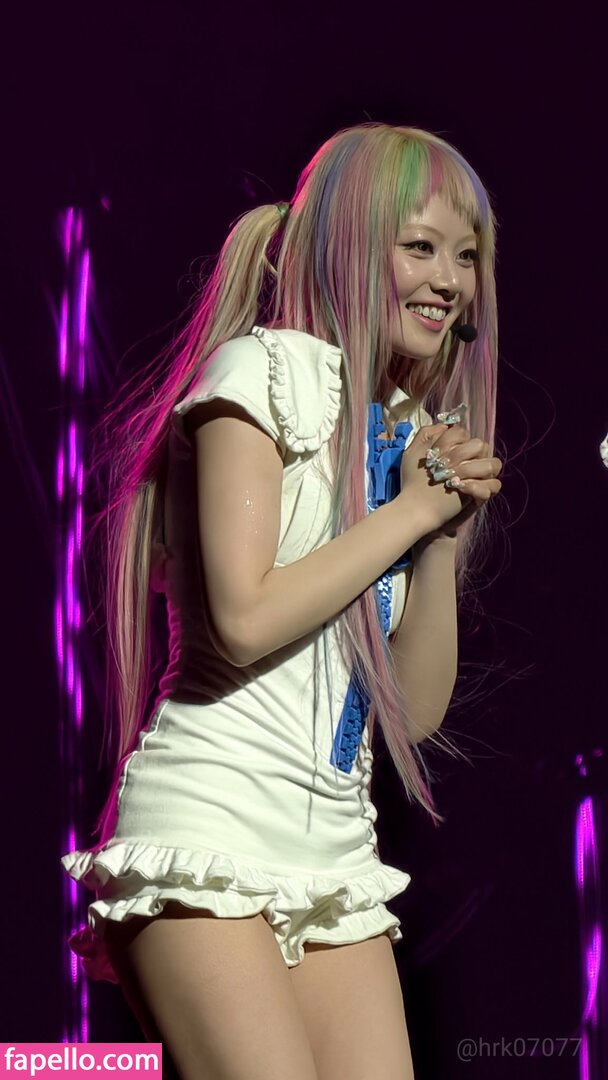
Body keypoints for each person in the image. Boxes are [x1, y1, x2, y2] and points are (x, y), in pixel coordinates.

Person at [61, 122, 503, 1080]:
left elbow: (413, 714)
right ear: (348, 246)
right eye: (420, 247)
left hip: (336, 859)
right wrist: (408, 513)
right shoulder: (258, 374)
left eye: (466, 255)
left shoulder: (402, 433)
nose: (450, 280)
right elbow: (245, 618)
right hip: (208, 829)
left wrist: (437, 539)